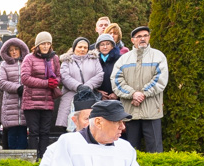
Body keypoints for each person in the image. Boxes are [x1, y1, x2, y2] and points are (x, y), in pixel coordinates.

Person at [113, 26, 168, 154]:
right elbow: (116, 81)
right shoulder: (123, 59)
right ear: (132, 40)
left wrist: (142, 94)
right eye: (139, 36)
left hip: (152, 112)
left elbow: (160, 80)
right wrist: (133, 94)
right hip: (130, 113)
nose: (142, 39)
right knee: (130, 151)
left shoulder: (158, 56)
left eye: (145, 35)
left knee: (155, 151)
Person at [21, 31, 60, 160]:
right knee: (33, 132)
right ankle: (33, 158)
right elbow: (25, 78)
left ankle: (44, 158)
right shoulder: (29, 58)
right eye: (43, 43)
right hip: (31, 101)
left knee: (45, 132)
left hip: (47, 100)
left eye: (48, 43)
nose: (45, 46)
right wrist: (46, 83)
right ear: (37, 45)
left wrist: (55, 82)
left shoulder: (54, 58)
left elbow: (58, 76)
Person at [56, 37, 103, 131]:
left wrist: (87, 86)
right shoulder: (67, 60)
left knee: (90, 126)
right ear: (74, 48)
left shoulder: (94, 59)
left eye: (85, 47)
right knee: (70, 126)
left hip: (90, 96)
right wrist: (78, 86)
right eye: (80, 47)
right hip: (70, 96)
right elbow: (64, 76)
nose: (82, 49)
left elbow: (100, 75)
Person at [0, 37, 28, 149]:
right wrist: (18, 88)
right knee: (12, 132)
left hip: (25, 102)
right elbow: (2, 82)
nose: (14, 52)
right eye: (11, 50)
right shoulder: (4, 65)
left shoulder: (27, 62)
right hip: (10, 102)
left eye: (16, 49)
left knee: (23, 132)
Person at [93, 34, 120, 101]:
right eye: (102, 44)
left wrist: (117, 93)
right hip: (99, 99)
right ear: (98, 47)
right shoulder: (94, 60)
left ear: (112, 46)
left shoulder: (120, 59)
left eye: (108, 44)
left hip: (117, 98)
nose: (105, 47)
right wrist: (98, 92)